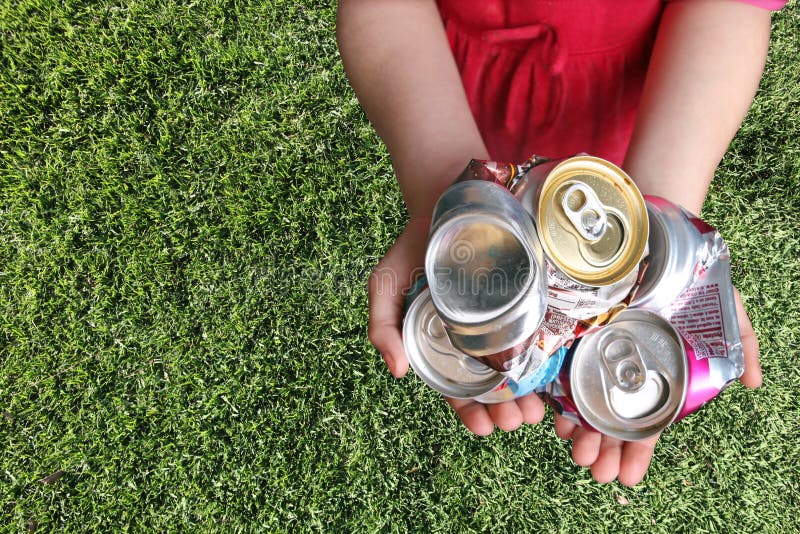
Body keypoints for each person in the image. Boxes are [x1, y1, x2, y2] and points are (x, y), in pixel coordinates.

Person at [337, 0, 784, 486]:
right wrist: (445, 190)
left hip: (656, 97)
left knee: (588, 202)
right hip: (443, 87)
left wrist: (661, 220)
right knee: (551, 200)